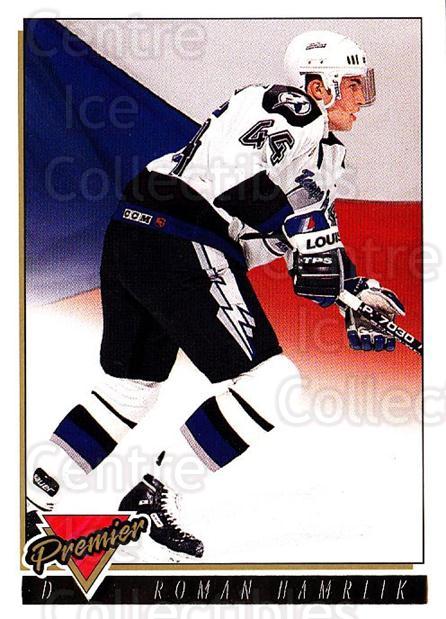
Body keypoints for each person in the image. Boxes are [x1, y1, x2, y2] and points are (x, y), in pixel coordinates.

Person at [27, 30, 405, 559]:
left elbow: (304, 246)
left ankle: (29, 498)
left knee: (130, 389)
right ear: (319, 86)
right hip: (182, 235)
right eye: (354, 85)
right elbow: (235, 182)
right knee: (271, 385)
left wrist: (353, 291)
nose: (362, 100)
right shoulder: (292, 107)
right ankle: (153, 500)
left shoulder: (325, 158)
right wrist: (303, 243)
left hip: (138, 232)